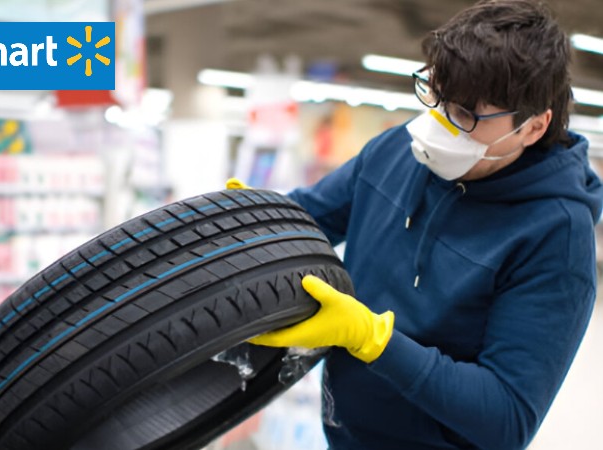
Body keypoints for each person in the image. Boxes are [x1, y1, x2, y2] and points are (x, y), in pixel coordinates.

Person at [229, 0, 603, 448]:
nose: (441, 124)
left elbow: (505, 418)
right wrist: (244, 223)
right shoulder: (396, 151)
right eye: (437, 95)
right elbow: (309, 220)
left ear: (533, 128)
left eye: (467, 115)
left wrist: (372, 339)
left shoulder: (556, 235)